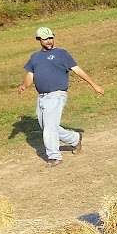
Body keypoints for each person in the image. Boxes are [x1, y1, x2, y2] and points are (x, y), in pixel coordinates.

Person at [17, 27, 104, 167]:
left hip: (57, 95)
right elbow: (30, 75)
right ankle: (75, 139)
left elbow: (77, 70)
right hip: (42, 97)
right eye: (45, 39)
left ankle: (54, 156)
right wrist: (24, 86)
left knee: (49, 128)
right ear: (39, 40)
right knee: (48, 126)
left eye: (51, 38)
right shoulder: (35, 57)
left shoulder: (61, 54)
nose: (49, 41)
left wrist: (94, 85)